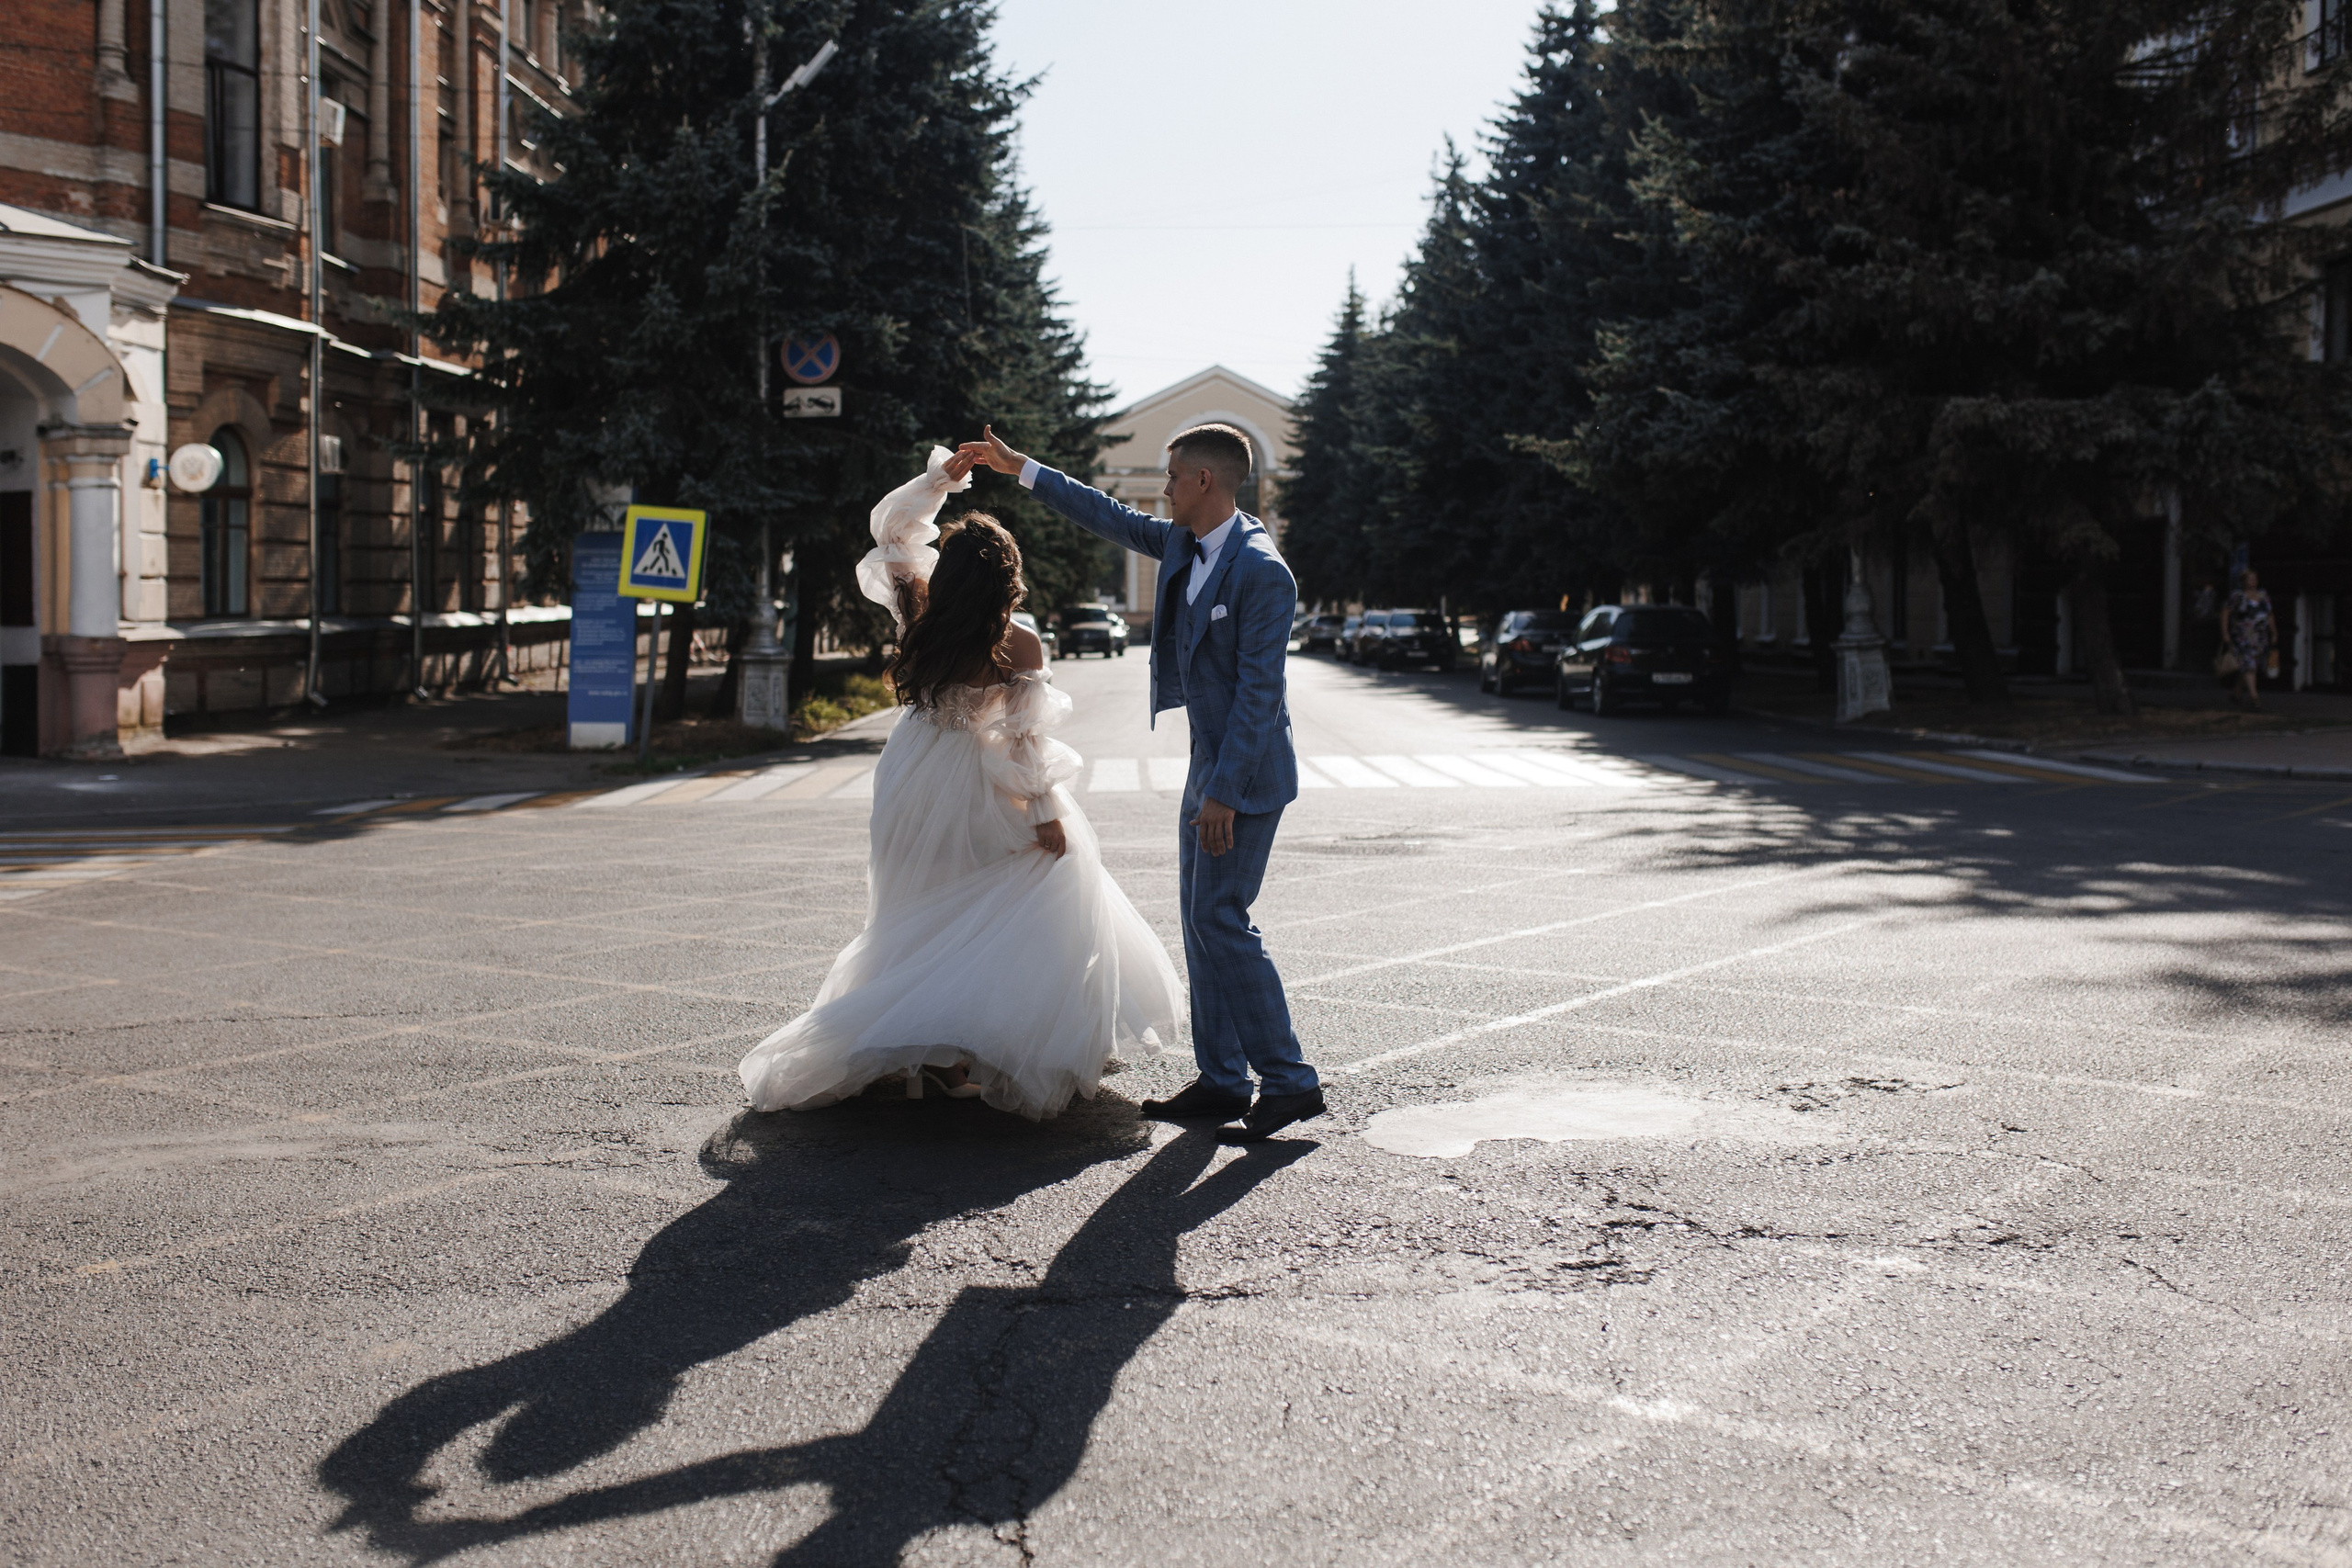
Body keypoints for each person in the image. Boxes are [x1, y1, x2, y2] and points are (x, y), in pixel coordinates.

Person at [736, 448, 1182, 1121]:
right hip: (978, 781)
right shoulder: (1019, 644)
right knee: (1032, 895)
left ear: (947, 574)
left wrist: (939, 481)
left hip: (912, 773)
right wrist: (1044, 816)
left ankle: (934, 1060)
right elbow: (1026, 742)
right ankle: (984, 1044)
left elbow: (890, 531)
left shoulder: (919, 613)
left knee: (915, 907)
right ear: (1009, 577)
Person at [959, 422, 1327, 1142]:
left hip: (1243, 778)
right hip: (1208, 769)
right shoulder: (1188, 543)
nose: (1161, 489)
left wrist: (1221, 790)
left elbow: (1260, 696)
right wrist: (1020, 468)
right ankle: (1224, 1079)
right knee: (1201, 922)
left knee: (1222, 920)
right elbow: (1109, 514)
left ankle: (1289, 1080)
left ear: (1204, 482)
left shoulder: (1261, 570)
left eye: (1171, 476)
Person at [2220, 569, 2274, 710]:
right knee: (2249, 664)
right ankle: (2254, 698)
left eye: (2255, 579)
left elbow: (2269, 614)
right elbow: (2225, 612)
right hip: (2242, 635)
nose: (2253, 582)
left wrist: (2273, 631)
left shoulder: (2262, 595)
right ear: (2243, 581)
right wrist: (2225, 632)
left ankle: (2236, 693)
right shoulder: (2237, 596)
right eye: (2250, 579)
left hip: (2259, 636)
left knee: (2250, 665)